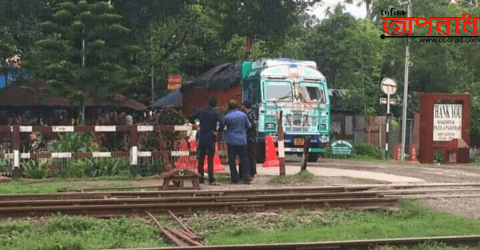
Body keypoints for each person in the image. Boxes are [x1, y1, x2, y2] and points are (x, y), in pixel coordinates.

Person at [188, 96, 224, 185]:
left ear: (207, 103)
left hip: (202, 135)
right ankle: (211, 178)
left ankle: (200, 177)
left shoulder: (201, 111)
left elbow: (191, 118)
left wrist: (196, 125)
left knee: (201, 157)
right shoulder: (216, 113)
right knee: (210, 158)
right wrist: (218, 131)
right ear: (215, 104)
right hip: (211, 136)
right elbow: (222, 123)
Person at [223, 99, 251, 184]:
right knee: (244, 159)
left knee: (232, 160)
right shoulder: (243, 115)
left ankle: (234, 178)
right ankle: (246, 178)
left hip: (231, 140)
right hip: (242, 140)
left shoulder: (227, 117)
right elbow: (249, 125)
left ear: (228, 106)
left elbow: (223, 127)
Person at [242, 100, 258, 180]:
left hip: (251, 138)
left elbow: (251, 126)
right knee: (247, 156)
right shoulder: (249, 114)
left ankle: (252, 172)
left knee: (251, 156)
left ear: (245, 106)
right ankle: (248, 172)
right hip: (248, 138)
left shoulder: (251, 115)